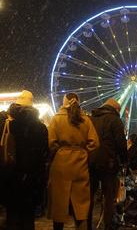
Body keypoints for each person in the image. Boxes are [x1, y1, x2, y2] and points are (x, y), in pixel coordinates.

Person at [47, 93, 99, 230]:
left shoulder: (56, 119)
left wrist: (60, 151)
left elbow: (51, 142)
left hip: (61, 164)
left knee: (59, 203)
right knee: (81, 206)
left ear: (64, 102)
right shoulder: (85, 120)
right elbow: (94, 142)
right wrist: (83, 151)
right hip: (80, 164)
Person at [0, 90, 48, 230]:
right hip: (32, 178)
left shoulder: (7, 125)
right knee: (28, 216)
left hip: (11, 175)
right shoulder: (41, 128)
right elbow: (44, 153)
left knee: (12, 214)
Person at [89, 98, 128, 230]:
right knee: (109, 197)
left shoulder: (91, 119)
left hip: (91, 161)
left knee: (89, 196)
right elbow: (121, 143)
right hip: (109, 163)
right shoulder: (115, 120)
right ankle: (108, 225)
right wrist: (124, 160)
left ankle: (86, 224)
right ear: (116, 109)